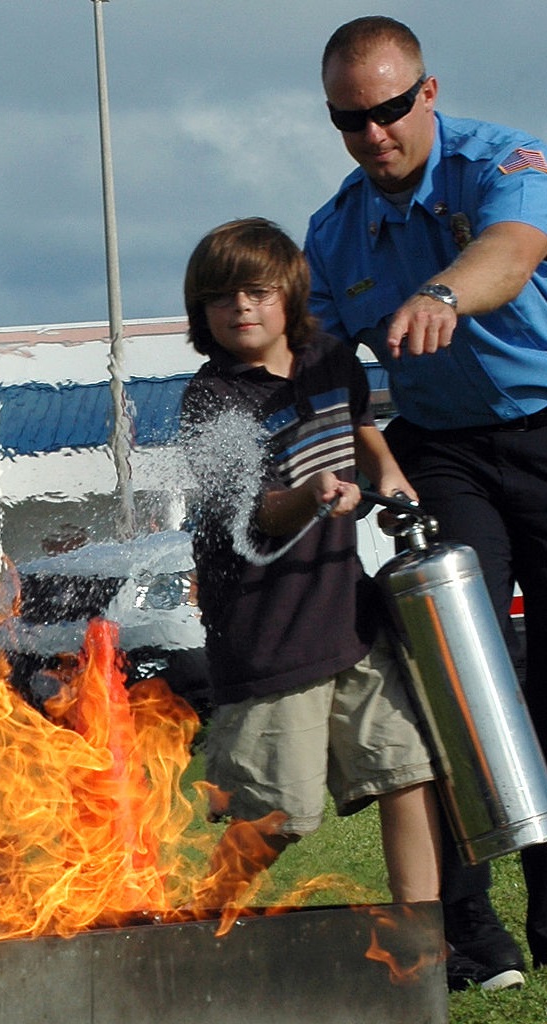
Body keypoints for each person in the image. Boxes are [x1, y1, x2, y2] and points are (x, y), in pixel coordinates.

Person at [305, 15, 547, 985]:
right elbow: (328, 378)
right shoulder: (331, 234)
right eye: (350, 119)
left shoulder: (502, 163)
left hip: (542, 422)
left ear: (428, 93)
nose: (375, 134)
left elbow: (517, 247)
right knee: (454, 681)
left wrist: (442, 295)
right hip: (439, 453)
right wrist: (371, 457)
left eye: (391, 109)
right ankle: (466, 929)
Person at [176, 218, 481, 982]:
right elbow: (247, 517)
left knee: (404, 770)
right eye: (220, 298)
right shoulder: (214, 402)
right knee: (277, 815)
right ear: (201, 313)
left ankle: (422, 948)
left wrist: (389, 474)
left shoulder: (328, 361)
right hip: (268, 639)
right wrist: (308, 497)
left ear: (289, 296)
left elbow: (360, 424)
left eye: (255, 291)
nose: (240, 308)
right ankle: (186, 924)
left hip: (348, 620)